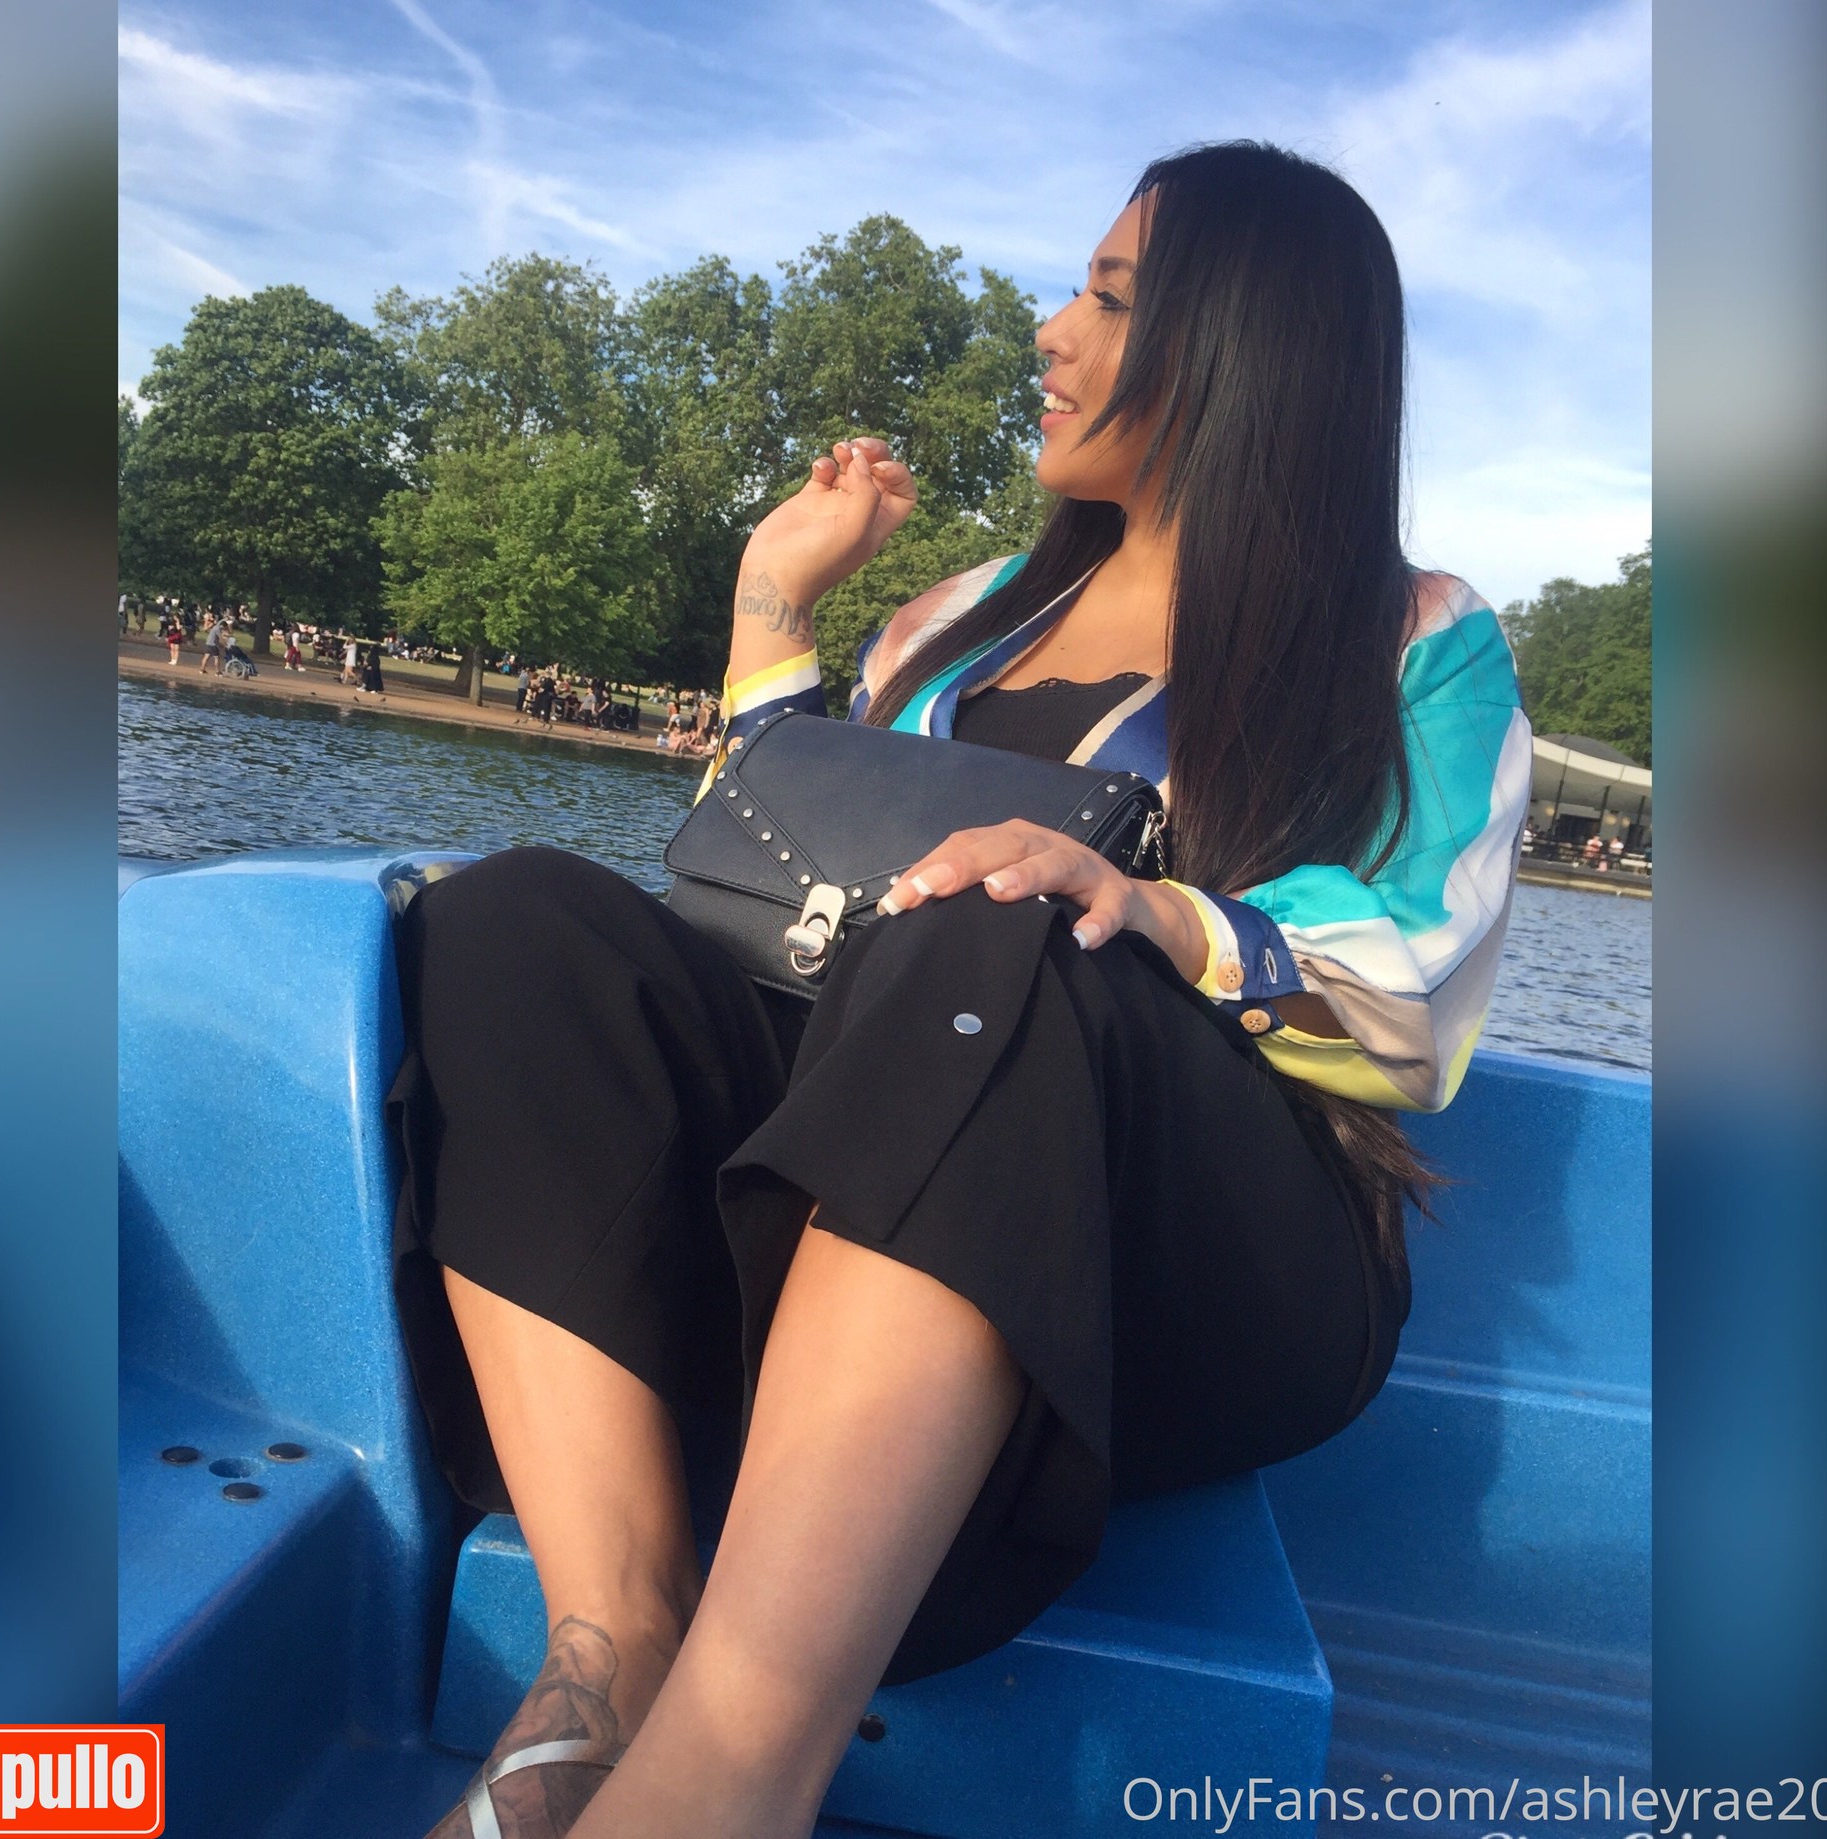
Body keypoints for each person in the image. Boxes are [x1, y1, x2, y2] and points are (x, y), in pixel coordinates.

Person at [399, 142, 1527, 1839]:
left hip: (1180, 1250)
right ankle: (611, 1644)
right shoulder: (961, 616)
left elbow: (1419, 983)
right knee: (515, 922)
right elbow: (775, 871)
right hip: (869, 1172)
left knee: (997, 933)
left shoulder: (1413, 639)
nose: (1051, 333)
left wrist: (1151, 909)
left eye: (1111, 299)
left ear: (1251, 348)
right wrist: (775, 601)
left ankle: (719, 1785)